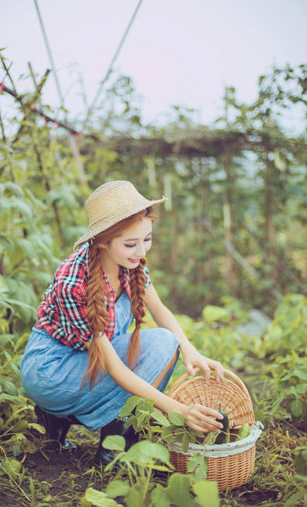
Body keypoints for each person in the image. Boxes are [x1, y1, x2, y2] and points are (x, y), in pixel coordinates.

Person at [20, 180, 224, 464]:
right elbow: (114, 369)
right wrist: (178, 410)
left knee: (167, 341)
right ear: (103, 240)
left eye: (147, 239)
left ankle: (103, 427)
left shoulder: (131, 261)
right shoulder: (74, 283)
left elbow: (159, 309)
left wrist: (190, 350)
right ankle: (112, 444)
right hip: (53, 368)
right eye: (131, 243)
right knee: (146, 359)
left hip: (90, 357)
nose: (142, 251)